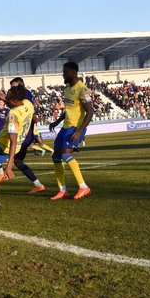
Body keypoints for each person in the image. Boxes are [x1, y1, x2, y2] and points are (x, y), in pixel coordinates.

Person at [48, 62, 94, 200]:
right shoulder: (67, 88)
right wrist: (57, 121)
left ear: (73, 72)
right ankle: (62, 190)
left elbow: (90, 112)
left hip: (75, 127)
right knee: (56, 156)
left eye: (65, 72)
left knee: (66, 154)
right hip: (65, 127)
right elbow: (69, 109)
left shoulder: (82, 89)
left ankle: (83, 187)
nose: (63, 74)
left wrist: (80, 131)